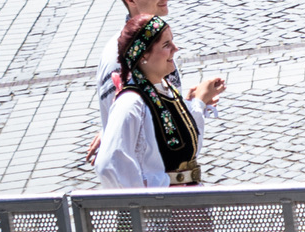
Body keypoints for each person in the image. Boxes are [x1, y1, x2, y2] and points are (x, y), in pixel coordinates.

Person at [94, 14, 226, 188]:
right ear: (142, 55)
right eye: (166, 45)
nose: (176, 48)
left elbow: (186, 150)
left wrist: (199, 102)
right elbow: (109, 164)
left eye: (172, 41)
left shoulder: (165, 89)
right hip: (162, 210)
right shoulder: (131, 103)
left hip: (185, 204)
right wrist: (146, 204)